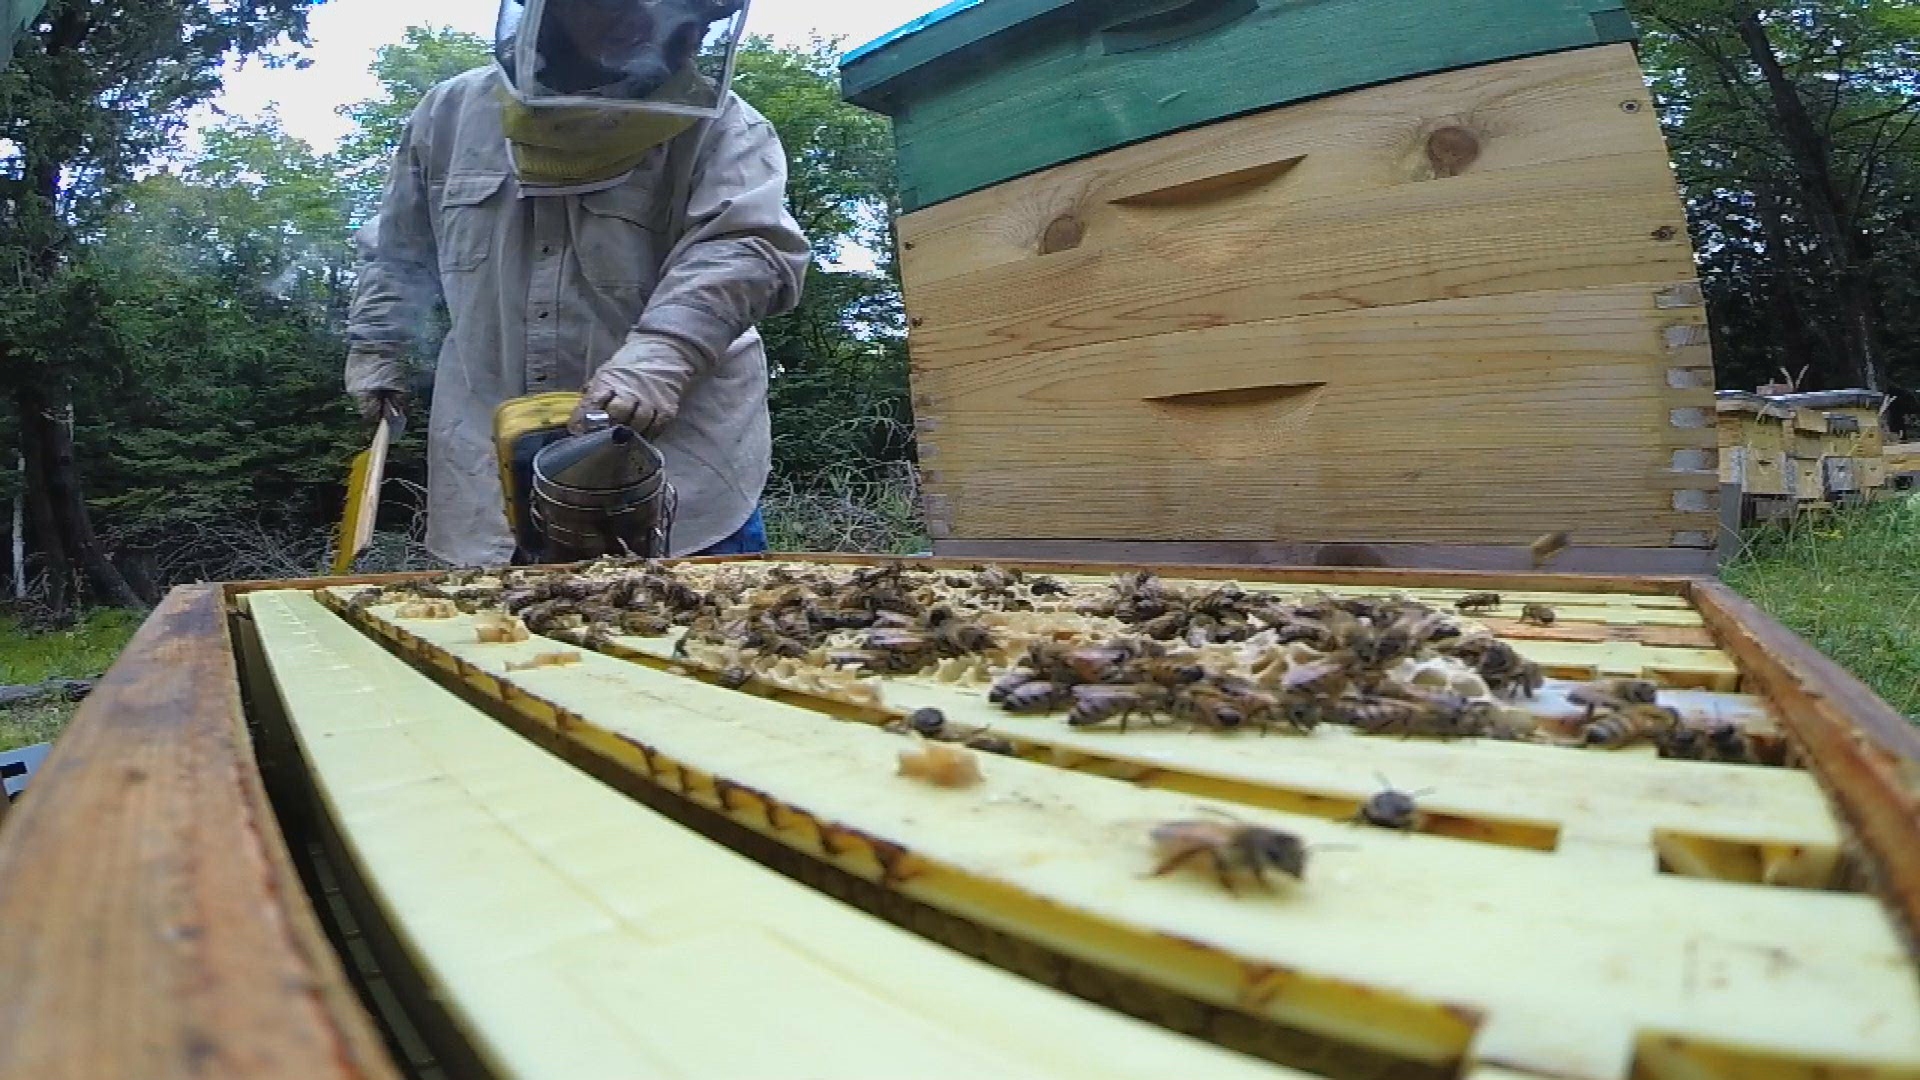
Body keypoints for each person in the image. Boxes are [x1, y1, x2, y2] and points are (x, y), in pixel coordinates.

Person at [345, 0, 809, 566]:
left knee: (710, 645)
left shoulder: (726, 127)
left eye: (689, 15)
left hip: (679, 477)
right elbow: (398, 252)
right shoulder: (449, 114)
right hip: (488, 481)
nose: (668, 30)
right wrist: (379, 345)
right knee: (494, 650)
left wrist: (666, 351)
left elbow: (746, 248)